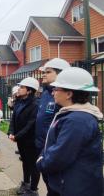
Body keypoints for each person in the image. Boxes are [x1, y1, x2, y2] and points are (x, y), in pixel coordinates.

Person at [36, 67, 103, 196]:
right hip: (66, 183)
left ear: (69, 94)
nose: (53, 92)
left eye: (56, 89)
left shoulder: (77, 120)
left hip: (75, 187)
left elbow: (60, 155)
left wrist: (41, 162)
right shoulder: (71, 115)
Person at [35, 58, 70, 196]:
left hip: (54, 150)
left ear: (60, 74)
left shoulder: (63, 96)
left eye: (48, 72)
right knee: (49, 184)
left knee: (57, 187)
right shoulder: (45, 94)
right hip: (42, 147)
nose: (43, 74)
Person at [8, 77, 40, 196]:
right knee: (25, 162)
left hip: (30, 140)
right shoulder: (19, 101)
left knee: (33, 164)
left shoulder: (35, 104)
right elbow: (13, 118)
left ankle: (33, 189)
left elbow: (30, 124)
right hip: (20, 139)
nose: (19, 89)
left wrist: (17, 136)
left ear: (30, 90)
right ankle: (26, 183)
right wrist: (11, 132)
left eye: (22, 87)